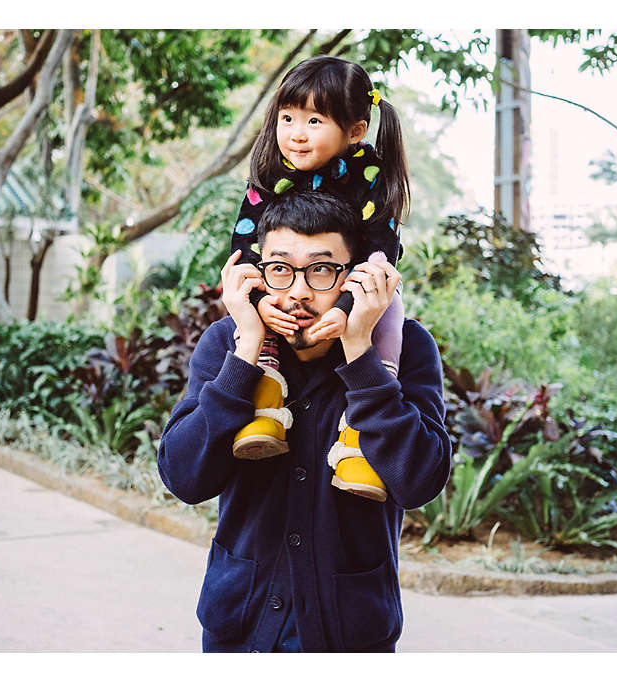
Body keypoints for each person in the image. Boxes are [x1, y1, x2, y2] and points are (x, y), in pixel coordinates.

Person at [157, 190, 451, 652]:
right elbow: (184, 477)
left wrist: (360, 354)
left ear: (354, 276)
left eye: (321, 270)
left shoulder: (406, 348)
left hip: (348, 636)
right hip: (240, 629)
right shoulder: (228, 342)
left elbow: (419, 481)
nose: (297, 290)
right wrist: (246, 354)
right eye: (280, 269)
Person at [228, 55, 410, 504]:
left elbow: (380, 253)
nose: (296, 133)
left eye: (314, 120)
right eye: (287, 118)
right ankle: (266, 397)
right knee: (242, 287)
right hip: (275, 295)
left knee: (393, 310)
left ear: (355, 131)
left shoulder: (369, 173)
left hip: (361, 289)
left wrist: (350, 314)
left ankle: (357, 436)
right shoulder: (271, 172)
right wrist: (261, 304)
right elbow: (247, 246)